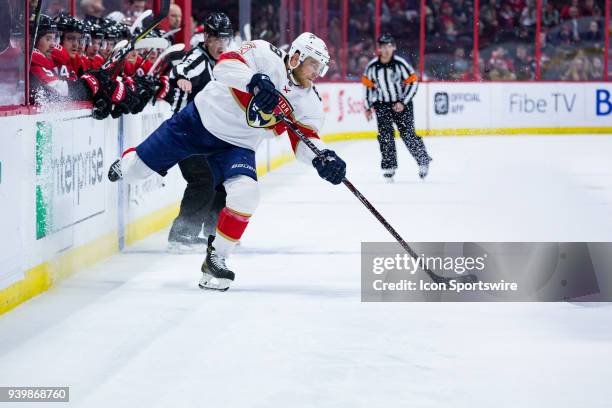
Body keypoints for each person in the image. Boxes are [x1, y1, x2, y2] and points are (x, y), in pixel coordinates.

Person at [107, 32, 346, 291]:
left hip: (236, 145)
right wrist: (254, 80)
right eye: (314, 64)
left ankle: (216, 258)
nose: (317, 73)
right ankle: (131, 159)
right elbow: (224, 66)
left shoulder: (309, 101)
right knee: (135, 174)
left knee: (247, 194)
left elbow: (304, 140)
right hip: (197, 121)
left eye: (321, 67)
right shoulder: (265, 54)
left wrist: (323, 158)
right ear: (297, 56)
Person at [163, 12, 233, 253]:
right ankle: (181, 235)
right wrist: (181, 78)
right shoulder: (198, 58)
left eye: (226, 38)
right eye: (217, 38)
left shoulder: (222, 63)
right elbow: (179, 69)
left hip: (205, 138)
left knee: (222, 179)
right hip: (184, 134)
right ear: (207, 38)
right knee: (203, 180)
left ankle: (213, 232)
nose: (222, 44)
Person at [362, 33, 432, 181]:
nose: (386, 50)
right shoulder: (372, 67)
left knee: (408, 135)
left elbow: (413, 81)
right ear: (379, 48)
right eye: (382, 46)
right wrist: (368, 107)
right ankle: (389, 167)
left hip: (401, 104)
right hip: (382, 105)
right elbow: (367, 87)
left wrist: (403, 101)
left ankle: (423, 160)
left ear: (393, 47)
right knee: (385, 136)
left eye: (388, 46)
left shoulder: (400, 64)